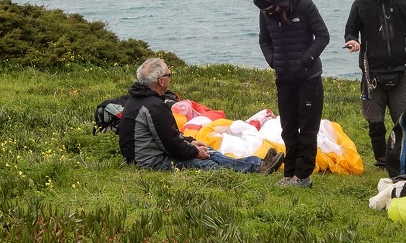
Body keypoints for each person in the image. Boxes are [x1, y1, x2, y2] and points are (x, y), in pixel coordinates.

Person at [119, 57, 284, 174]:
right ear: (161, 81)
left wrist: (190, 143)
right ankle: (257, 167)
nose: (170, 78)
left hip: (150, 153)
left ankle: (258, 164)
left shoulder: (140, 99)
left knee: (205, 149)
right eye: (169, 75)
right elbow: (171, 144)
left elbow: (166, 136)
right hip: (149, 162)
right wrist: (193, 152)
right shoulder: (153, 106)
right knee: (206, 163)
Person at [253, 0, 330, 188]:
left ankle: (303, 176)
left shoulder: (305, 6)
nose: (267, 13)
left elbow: (323, 35)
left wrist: (306, 59)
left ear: (279, 0)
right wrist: (273, 60)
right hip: (284, 79)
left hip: (309, 79)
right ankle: (289, 174)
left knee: (307, 129)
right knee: (288, 128)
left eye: (269, 8)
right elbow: (264, 40)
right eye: (263, 10)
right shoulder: (266, 14)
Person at [344, 0, 406, 169]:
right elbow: (350, 30)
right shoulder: (360, 4)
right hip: (372, 74)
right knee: (375, 122)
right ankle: (382, 160)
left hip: (399, 72)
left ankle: (403, 157)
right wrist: (353, 41)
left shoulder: (402, 1)